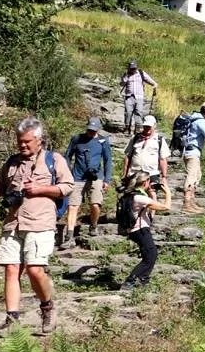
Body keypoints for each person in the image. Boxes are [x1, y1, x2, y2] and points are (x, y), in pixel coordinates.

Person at [0, 117, 74, 335]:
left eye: (27, 141)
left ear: (39, 140)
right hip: (13, 223)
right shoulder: (12, 162)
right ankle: (12, 319)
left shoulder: (54, 159)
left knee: (35, 270)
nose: (22, 145)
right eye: (20, 141)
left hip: (40, 222)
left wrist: (40, 189)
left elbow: (67, 186)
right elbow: (2, 187)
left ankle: (47, 307)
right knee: (11, 269)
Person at [60, 116, 112, 250]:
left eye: (94, 130)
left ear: (98, 129)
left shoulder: (103, 141)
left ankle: (93, 225)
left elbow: (107, 161)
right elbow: (67, 156)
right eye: (89, 130)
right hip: (77, 177)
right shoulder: (77, 139)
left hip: (96, 177)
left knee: (95, 204)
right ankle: (69, 236)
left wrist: (107, 179)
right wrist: (67, 173)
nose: (91, 132)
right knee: (73, 206)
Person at [113, 171, 161, 289]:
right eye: (149, 181)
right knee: (150, 255)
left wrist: (152, 195)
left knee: (150, 255)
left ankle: (144, 278)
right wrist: (168, 192)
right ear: (145, 182)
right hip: (140, 230)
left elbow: (150, 214)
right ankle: (130, 281)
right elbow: (166, 207)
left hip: (136, 229)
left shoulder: (132, 195)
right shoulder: (139, 197)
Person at [181, 101, 205, 214]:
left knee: (197, 176)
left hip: (190, 151)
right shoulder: (201, 122)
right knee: (191, 177)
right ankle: (186, 205)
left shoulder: (194, 118)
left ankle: (192, 203)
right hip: (193, 153)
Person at [123, 114, 170, 200]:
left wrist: (164, 176)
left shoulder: (159, 140)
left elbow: (163, 159)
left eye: (149, 127)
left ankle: (152, 209)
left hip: (152, 173)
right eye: (145, 126)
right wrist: (125, 173)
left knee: (152, 193)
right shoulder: (135, 138)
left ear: (154, 126)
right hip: (135, 172)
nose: (147, 128)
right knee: (132, 195)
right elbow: (128, 156)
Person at [119, 60, 159, 134]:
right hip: (129, 96)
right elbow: (121, 84)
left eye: (134, 68)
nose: (133, 70)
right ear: (129, 68)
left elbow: (149, 80)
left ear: (136, 67)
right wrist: (126, 76)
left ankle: (138, 129)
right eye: (131, 68)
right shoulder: (126, 74)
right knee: (128, 112)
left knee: (138, 112)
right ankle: (127, 128)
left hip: (139, 97)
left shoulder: (141, 73)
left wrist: (154, 84)